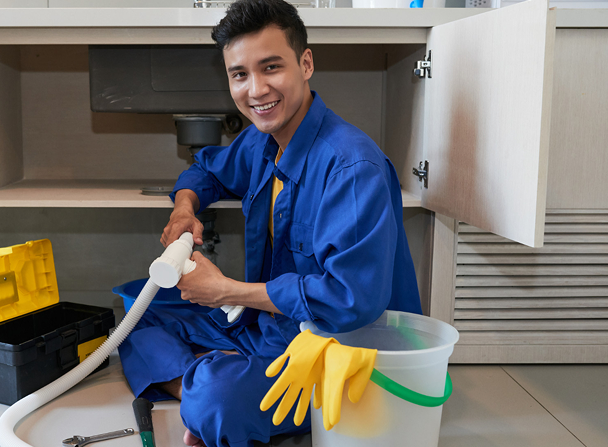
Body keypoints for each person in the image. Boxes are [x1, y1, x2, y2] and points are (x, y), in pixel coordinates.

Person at [118, 1, 422, 446]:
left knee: (216, 400)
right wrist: (185, 209)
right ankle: (209, 387)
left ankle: (212, 392)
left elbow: (350, 301)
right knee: (134, 315)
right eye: (240, 74)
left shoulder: (352, 169)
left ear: (306, 63)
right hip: (271, 327)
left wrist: (226, 291)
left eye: (271, 67)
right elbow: (206, 171)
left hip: (340, 351)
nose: (256, 90)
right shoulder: (262, 142)